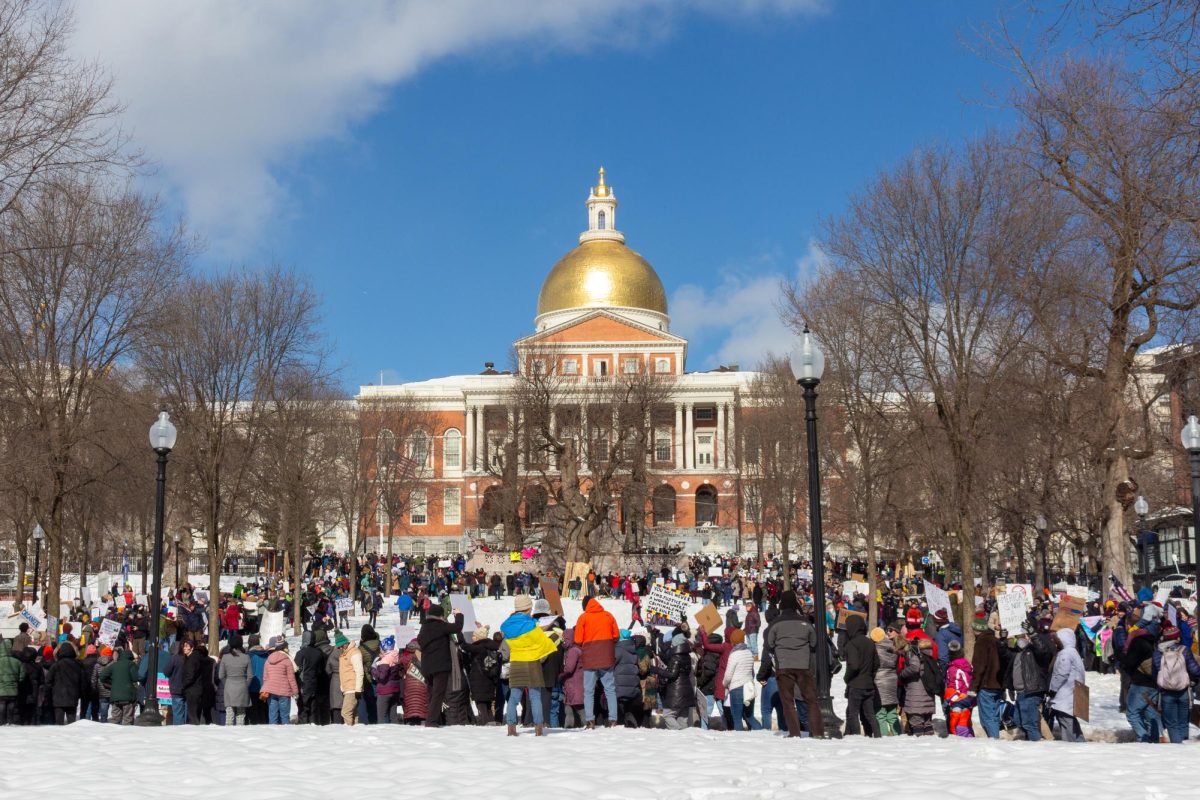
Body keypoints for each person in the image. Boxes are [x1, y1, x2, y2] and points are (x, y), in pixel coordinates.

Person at [765, 591, 823, 738]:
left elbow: (769, 644)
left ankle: (794, 733)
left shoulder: (776, 623)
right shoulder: (805, 622)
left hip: (784, 666)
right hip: (803, 666)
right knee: (811, 700)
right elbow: (814, 642)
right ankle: (817, 732)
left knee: (788, 701)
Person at [499, 593, 557, 736]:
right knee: (535, 696)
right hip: (532, 663)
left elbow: (508, 645)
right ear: (527, 608)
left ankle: (511, 728)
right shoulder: (532, 625)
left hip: (516, 662)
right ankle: (538, 728)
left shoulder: (506, 626)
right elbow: (544, 644)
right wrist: (556, 636)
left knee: (514, 697)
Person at [574, 596, 620, 729]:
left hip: (590, 660)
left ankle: (590, 721)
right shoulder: (608, 616)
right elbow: (616, 636)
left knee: (588, 691)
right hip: (606, 658)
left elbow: (577, 639)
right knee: (610, 689)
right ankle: (613, 720)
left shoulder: (583, 617)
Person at [416, 604, 465, 727]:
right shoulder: (440, 626)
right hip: (440, 665)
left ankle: (434, 719)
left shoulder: (424, 628)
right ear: (440, 615)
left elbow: (420, 641)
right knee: (438, 693)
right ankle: (431, 721)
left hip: (427, 666)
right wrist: (458, 615)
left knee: (432, 693)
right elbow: (457, 627)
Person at [1152, 620, 1200, 743]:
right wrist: (1193, 679)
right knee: (1183, 720)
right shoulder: (1184, 650)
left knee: (1171, 723)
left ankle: (1177, 746)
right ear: (1177, 637)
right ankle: (1184, 745)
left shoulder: (1158, 652)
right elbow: (1194, 670)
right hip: (1183, 690)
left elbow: (1155, 671)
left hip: (1166, 692)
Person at [968, 613, 1004, 738]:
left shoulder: (981, 642)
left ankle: (994, 744)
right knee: (993, 716)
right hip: (997, 684)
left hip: (986, 684)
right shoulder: (996, 640)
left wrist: (973, 687)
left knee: (988, 718)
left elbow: (979, 667)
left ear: (976, 629)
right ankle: (994, 740)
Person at [1048, 627, 1086, 742]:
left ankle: (1070, 747)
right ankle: (1080, 743)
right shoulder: (1073, 652)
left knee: (1066, 722)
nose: (1055, 643)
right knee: (1072, 722)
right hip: (1073, 692)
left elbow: (1062, 673)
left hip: (1065, 693)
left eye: (1057, 640)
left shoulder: (1065, 654)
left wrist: (1053, 689)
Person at [653, 629, 695, 730]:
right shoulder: (687, 656)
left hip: (676, 692)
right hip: (687, 690)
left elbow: (672, 674)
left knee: (668, 715)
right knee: (682, 718)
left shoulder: (676, 657)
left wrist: (657, 670)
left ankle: (678, 733)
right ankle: (684, 740)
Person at [722, 629, 761, 731]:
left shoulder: (734, 655)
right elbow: (752, 672)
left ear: (733, 640)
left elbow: (728, 675)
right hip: (748, 687)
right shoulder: (748, 652)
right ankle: (762, 733)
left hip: (736, 688)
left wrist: (724, 684)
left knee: (737, 719)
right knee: (750, 716)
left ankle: (739, 742)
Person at [898, 636, 935, 736]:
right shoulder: (929, 656)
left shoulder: (913, 654)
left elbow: (915, 667)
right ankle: (932, 746)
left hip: (916, 695)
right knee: (927, 724)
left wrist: (902, 673)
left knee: (916, 723)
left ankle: (919, 748)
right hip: (927, 694)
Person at [294, 629, 328, 724]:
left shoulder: (301, 653)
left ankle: (304, 729)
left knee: (303, 710)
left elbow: (296, 670)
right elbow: (321, 670)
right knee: (313, 710)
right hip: (315, 685)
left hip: (303, 685)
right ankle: (313, 726)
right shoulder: (319, 652)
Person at [46, 641, 85, 725]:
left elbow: (48, 681)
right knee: (72, 723)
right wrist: (80, 694)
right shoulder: (78, 665)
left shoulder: (56, 665)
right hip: (72, 697)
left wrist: (51, 693)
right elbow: (82, 682)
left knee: (58, 723)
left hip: (58, 697)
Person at [871, 625, 901, 736]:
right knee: (892, 713)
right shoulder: (893, 645)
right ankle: (898, 735)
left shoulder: (875, 648)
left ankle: (883, 738)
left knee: (880, 714)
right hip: (892, 680)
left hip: (879, 681)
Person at [98, 647, 139, 725]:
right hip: (128, 696)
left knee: (115, 720)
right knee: (127, 720)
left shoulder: (114, 665)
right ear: (130, 657)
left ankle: (113, 736)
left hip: (115, 697)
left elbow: (102, 676)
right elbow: (135, 678)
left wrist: (111, 683)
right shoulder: (131, 664)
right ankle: (126, 736)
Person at [218, 635, 253, 726]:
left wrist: (227, 684)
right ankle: (240, 736)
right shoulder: (246, 657)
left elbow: (221, 675)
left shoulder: (225, 657)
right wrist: (245, 685)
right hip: (242, 687)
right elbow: (250, 676)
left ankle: (229, 736)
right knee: (241, 715)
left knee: (229, 714)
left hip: (229, 687)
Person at [944, 640, 974, 737]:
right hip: (968, 696)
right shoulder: (967, 664)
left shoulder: (952, 668)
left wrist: (951, 698)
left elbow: (953, 684)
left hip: (958, 698)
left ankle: (960, 739)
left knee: (956, 721)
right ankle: (969, 737)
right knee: (965, 719)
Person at [336, 630, 364, 725]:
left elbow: (359, 671)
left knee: (346, 712)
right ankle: (355, 732)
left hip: (352, 689)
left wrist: (358, 689)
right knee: (354, 713)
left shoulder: (354, 653)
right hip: (347, 688)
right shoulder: (344, 654)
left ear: (345, 644)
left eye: (340, 646)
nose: (339, 648)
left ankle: (349, 732)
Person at [0, 639, 24, 725]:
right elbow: (22, 677)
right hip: (13, 689)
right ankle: (10, 722)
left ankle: (1, 722)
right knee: (11, 706)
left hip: (1, 691)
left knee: (1, 705)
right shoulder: (17, 662)